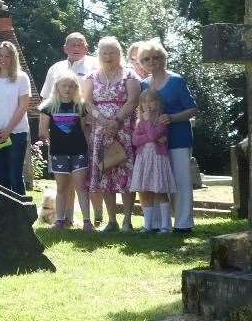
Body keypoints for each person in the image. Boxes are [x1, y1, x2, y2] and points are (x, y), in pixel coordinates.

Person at [139, 40, 197, 233]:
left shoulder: (176, 80)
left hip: (178, 138)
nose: (152, 61)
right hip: (153, 142)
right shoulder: (143, 85)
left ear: (164, 59)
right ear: (142, 62)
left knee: (180, 181)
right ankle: (156, 224)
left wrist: (172, 118)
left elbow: (192, 109)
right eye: (147, 59)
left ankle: (183, 223)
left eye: (156, 57)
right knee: (155, 180)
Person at [83, 37, 140, 232]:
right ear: (99, 55)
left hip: (123, 130)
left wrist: (116, 121)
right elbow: (88, 103)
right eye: (104, 53)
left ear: (119, 54)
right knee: (105, 173)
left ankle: (127, 220)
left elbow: (132, 101)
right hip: (101, 131)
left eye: (112, 52)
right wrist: (102, 119)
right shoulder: (91, 77)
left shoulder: (130, 75)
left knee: (126, 173)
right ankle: (112, 221)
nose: (108, 57)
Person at [38, 73, 90, 230]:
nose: (67, 89)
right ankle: (60, 220)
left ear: (76, 88)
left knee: (80, 186)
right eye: (64, 86)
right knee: (61, 187)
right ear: (57, 87)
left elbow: (84, 129)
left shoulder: (80, 107)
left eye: (71, 86)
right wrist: (53, 146)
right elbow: (43, 130)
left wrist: (89, 147)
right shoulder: (48, 107)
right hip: (58, 153)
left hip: (79, 152)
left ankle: (87, 221)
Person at [0, 41, 32, 194]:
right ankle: (3, 215)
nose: (3, 59)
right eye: (0, 55)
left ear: (13, 58)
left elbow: (23, 106)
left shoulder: (21, 78)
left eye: (7, 56)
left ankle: (21, 215)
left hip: (16, 133)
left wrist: (8, 129)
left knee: (14, 175)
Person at [131, 89, 177, 233]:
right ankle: (147, 225)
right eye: (144, 102)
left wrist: (148, 122)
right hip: (143, 159)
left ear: (158, 103)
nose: (148, 105)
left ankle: (165, 226)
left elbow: (152, 134)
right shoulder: (139, 121)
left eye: (151, 101)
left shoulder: (162, 120)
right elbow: (135, 140)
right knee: (145, 192)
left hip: (157, 159)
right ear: (141, 105)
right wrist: (151, 136)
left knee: (160, 191)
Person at [40, 32, 99, 100]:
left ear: (86, 48)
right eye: (73, 45)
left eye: (79, 45)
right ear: (65, 48)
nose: (76, 48)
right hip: (58, 109)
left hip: (86, 109)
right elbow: (46, 96)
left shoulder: (96, 65)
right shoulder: (55, 68)